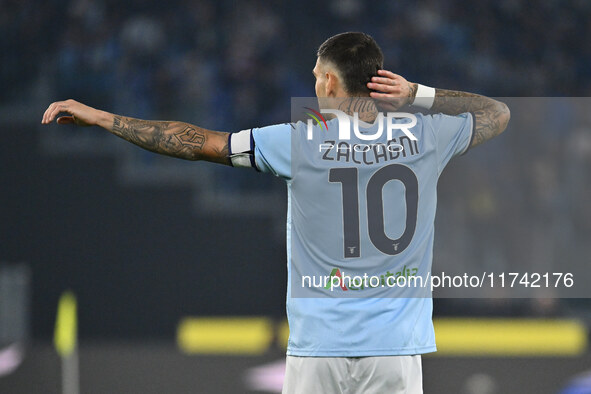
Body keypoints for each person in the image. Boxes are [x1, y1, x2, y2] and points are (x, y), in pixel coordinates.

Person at [42, 32, 509, 393]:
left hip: (317, 350)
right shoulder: (423, 137)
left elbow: (199, 143)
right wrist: (415, 96)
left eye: (315, 75)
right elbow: (496, 113)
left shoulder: (298, 139)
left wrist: (102, 117)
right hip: (396, 352)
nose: (313, 83)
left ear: (329, 81)